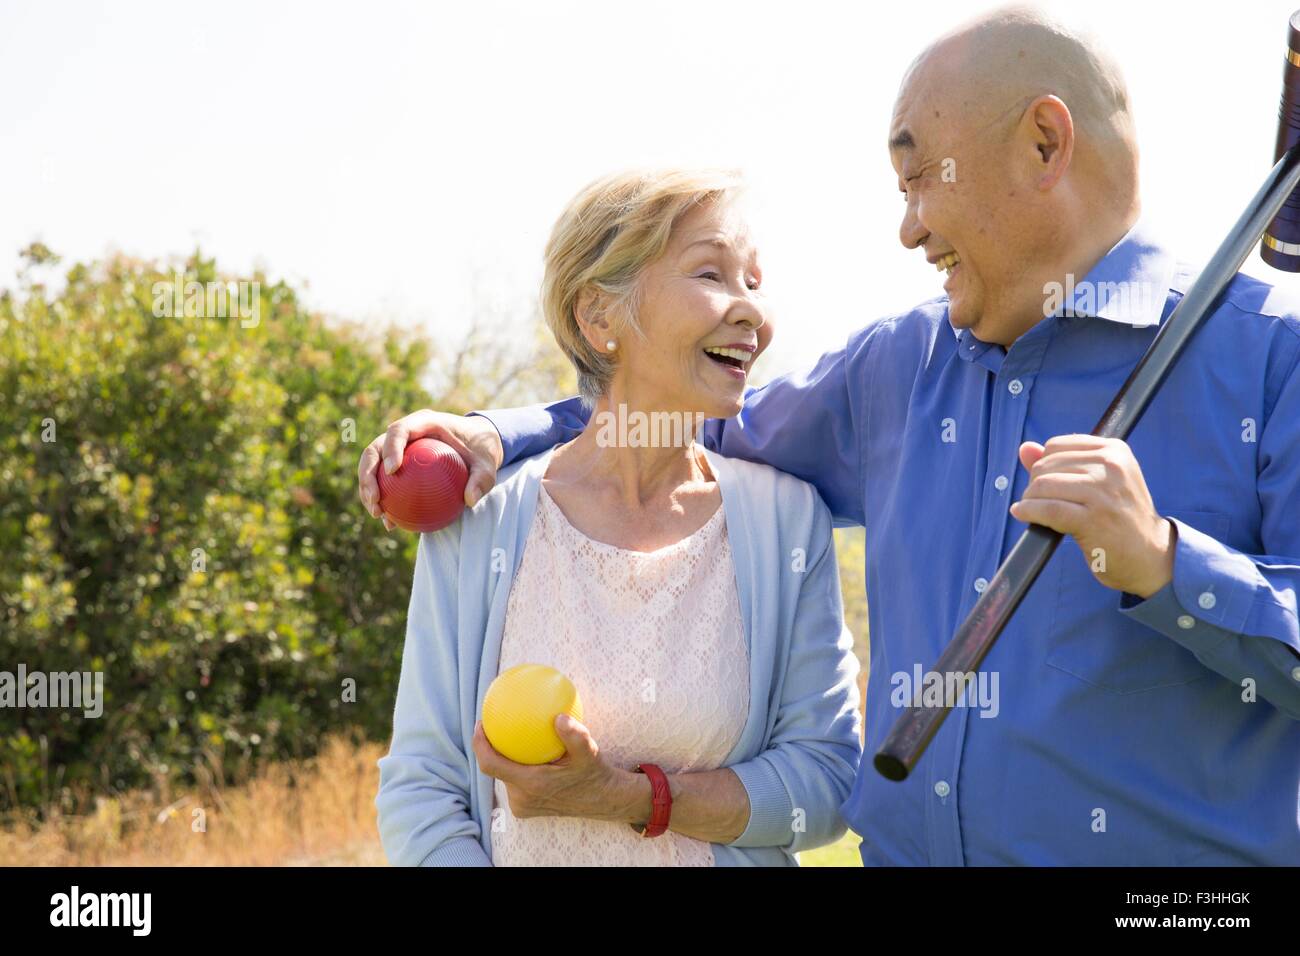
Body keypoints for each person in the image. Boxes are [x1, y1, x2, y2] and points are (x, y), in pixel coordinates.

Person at [362, 6, 1300, 865]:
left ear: (1043, 143)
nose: (905, 230)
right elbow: (681, 415)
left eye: (918, 179)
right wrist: (500, 431)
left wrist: (1166, 564)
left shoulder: (1273, 358)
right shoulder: (892, 373)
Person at [372, 168, 862, 866]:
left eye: (753, 281)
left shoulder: (786, 521)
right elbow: (424, 788)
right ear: (599, 316)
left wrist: (632, 798)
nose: (752, 309)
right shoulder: (480, 522)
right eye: (711, 274)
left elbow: (827, 782)